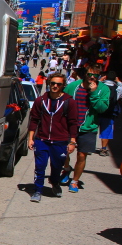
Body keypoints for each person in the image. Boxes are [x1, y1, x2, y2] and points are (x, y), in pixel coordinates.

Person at [27, 72, 78, 202]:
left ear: (63, 85)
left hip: (60, 141)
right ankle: (38, 190)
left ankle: (55, 183)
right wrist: (31, 138)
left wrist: (72, 141)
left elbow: (73, 123)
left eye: (58, 84)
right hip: (42, 140)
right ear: (48, 83)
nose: (55, 86)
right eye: (52, 83)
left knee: (56, 166)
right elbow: (34, 120)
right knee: (40, 166)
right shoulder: (41, 100)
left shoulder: (69, 102)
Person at [60, 64, 109, 192]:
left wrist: (93, 94)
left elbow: (102, 108)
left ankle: (75, 181)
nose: (92, 78)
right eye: (90, 74)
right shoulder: (73, 86)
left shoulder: (103, 89)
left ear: (99, 77)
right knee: (64, 152)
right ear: (85, 74)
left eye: (95, 76)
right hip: (69, 125)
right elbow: (62, 101)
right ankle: (66, 169)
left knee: (82, 155)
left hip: (88, 127)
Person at [97, 71, 122, 157]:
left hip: (97, 111)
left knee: (92, 129)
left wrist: (100, 80)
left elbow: (91, 88)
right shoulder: (118, 89)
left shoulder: (99, 85)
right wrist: (119, 81)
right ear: (115, 78)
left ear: (105, 77)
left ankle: (88, 147)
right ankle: (103, 149)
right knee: (106, 130)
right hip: (110, 113)